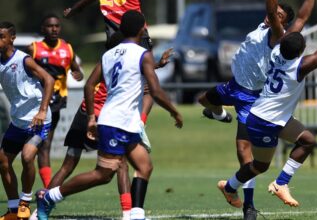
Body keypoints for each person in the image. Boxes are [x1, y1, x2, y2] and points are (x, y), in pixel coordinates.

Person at [197, 0, 317, 220]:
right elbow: (302, 14)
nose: (273, 16)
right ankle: (219, 113)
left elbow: (294, 17)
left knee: (245, 152)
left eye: (279, 16)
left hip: (250, 97)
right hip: (233, 85)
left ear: (283, 24)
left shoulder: (279, 37)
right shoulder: (265, 25)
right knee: (203, 100)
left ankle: (249, 205)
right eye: (274, 12)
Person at [36, 11, 183, 220]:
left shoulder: (110, 54)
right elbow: (155, 90)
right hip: (116, 122)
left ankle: (136, 215)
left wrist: (91, 117)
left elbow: (89, 84)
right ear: (142, 29)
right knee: (103, 175)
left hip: (123, 122)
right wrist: (174, 111)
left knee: (144, 166)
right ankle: (51, 196)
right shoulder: (143, 53)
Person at [217, 7, 317, 210]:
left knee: (307, 140)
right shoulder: (299, 67)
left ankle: (280, 183)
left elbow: (301, 21)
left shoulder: (276, 50)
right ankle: (231, 187)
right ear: (301, 51)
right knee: (260, 166)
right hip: (264, 121)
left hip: (275, 117)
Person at [63, 0, 223, 120]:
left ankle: (95, 119)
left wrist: (72, 11)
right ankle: (139, 124)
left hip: (114, 41)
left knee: (110, 83)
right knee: (149, 86)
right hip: (136, 38)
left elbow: (87, 0)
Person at [0, 22, 54, 220]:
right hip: (18, 121)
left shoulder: (24, 60)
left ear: (11, 38)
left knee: (27, 156)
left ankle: (25, 202)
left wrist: (41, 111)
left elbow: (49, 80)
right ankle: (13, 210)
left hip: (38, 120)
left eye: (1, 37)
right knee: (3, 163)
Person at [27, 14, 84, 188]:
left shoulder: (67, 48)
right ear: (43, 29)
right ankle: (46, 187)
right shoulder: (34, 48)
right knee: (38, 144)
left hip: (57, 102)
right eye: (50, 26)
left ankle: (47, 187)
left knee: (45, 144)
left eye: (57, 26)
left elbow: (77, 70)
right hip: (35, 101)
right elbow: (24, 70)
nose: (54, 29)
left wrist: (78, 74)